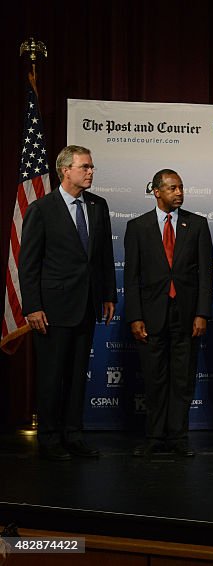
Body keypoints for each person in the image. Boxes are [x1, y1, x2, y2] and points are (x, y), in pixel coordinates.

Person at [20, 145, 116, 461]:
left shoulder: (98, 206)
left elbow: (103, 257)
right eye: (85, 167)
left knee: (77, 376)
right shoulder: (42, 209)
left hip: (87, 305)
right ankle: (49, 439)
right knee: (51, 376)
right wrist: (32, 306)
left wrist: (108, 295)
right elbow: (28, 264)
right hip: (52, 308)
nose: (90, 172)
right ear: (66, 170)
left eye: (91, 167)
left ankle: (73, 435)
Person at [123, 169, 213, 457]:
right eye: (173, 188)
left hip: (186, 316)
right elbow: (132, 277)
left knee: (182, 379)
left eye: (181, 188)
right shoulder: (138, 227)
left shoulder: (196, 224)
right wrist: (135, 316)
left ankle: (178, 438)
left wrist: (202, 313)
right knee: (154, 379)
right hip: (151, 316)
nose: (179, 193)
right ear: (157, 191)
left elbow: (205, 276)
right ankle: (154, 437)